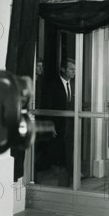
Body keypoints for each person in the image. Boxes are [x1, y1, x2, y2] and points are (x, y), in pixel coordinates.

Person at [43, 58, 76, 187]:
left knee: (70, 146)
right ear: (63, 69)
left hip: (71, 123)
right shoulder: (52, 84)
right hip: (57, 123)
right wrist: (50, 124)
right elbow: (47, 106)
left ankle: (70, 172)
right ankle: (59, 174)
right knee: (58, 148)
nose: (74, 72)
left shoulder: (74, 84)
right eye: (71, 69)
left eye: (74, 69)